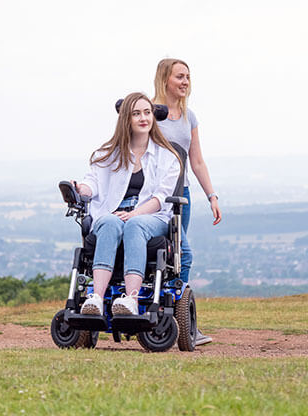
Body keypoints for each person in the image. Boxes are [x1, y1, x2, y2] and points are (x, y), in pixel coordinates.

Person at [76, 92, 182, 316]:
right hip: (114, 214)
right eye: (136, 114)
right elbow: (92, 182)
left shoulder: (167, 157)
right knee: (108, 222)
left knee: (135, 226)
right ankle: (96, 298)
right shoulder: (108, 154)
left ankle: (131, 300)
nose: (143, 118)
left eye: (147, 112)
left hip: (151, 217)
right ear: (126, 119)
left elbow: (159, 199)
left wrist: (134, 214)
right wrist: (80, 190)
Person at [153, 58, 222, 344]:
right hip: (157, 197)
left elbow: (197, 160)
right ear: (165, 79)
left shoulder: (189, 116)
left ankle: (176, 319)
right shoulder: (149, 112)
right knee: (183, 253)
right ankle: (175, 321)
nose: (185, 82)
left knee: (176, 258)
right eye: (180, 76)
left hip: (183, 195)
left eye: (187, 77)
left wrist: (212, 196)